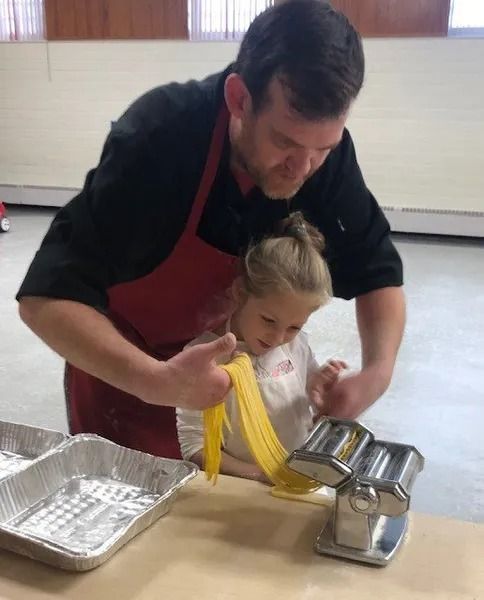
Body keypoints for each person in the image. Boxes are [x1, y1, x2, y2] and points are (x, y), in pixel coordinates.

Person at [17, 0, 404, 459]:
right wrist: (157, 381)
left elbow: (377, 270)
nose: (303, 168)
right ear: (240, 98)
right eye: (284, 142)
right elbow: (45, 299)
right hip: (129, 384)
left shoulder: (323, 160)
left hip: (237, 399)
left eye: (323, 146)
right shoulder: (161, 138)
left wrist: (375, 375)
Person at [177, 212, 347, 481]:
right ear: (239, 292)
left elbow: (307, 410)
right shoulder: (205, 358)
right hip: (245, 489)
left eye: (295, 326)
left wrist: (322, 398)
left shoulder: (297, 346)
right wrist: (258, 474)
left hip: (298, 479)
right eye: (269, 320)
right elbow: (195, 446)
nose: (278, 337)